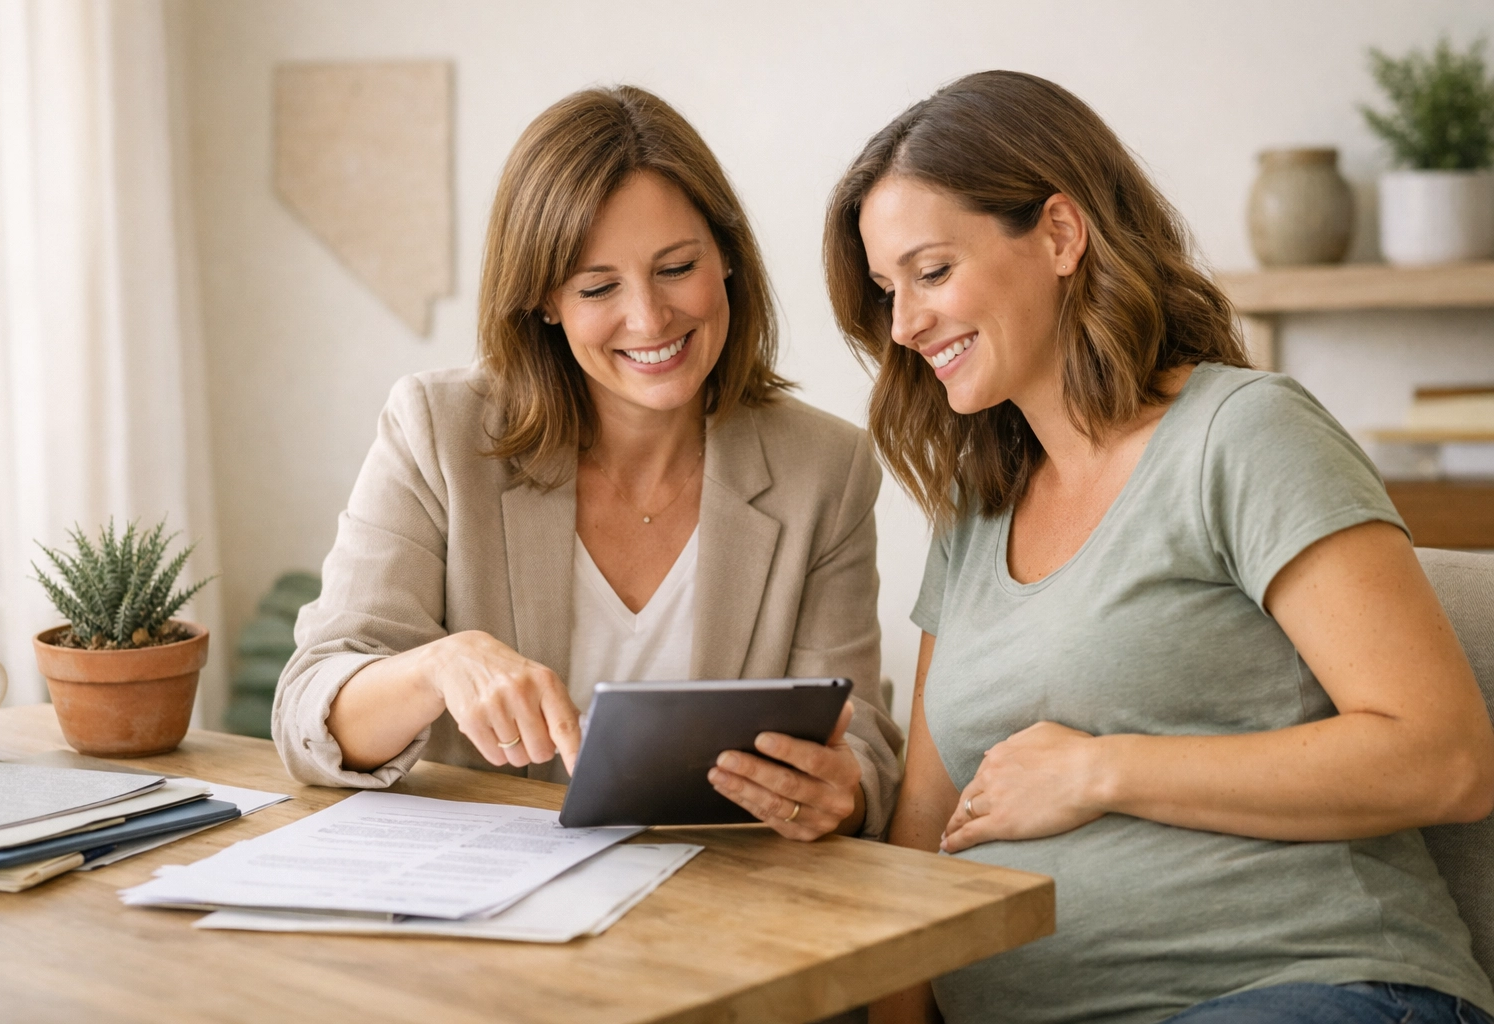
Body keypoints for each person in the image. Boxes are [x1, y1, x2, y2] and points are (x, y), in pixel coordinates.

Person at [823, 70, 1494, 1023]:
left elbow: (1445, 758)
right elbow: (921, 836)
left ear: (1061, 234)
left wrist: (1105, 771)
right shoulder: (975, 514)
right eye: (888, 290)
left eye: (931, 273)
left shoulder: (1242, 433)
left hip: (1305, 985)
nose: (903, 325)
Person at [273, 85, 902, 842]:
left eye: (677, 267)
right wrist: (439, 666)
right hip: (483, 888)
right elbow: (308, 713)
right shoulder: (438, 433)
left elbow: (863, 745)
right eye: (599, 287)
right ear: (545, 300)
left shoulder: (824, 468)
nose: (649, 318)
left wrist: (841, 792)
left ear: (727, 258)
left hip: (722, 889)